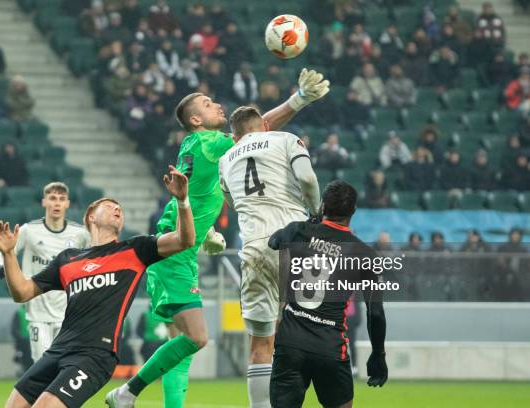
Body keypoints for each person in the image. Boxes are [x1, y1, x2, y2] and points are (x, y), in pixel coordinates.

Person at [107, 69, 330, 408]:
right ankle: (128, 391)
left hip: (180, 244)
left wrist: (205, 231)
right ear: (196, 119)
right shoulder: (212, 143)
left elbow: (197, 194)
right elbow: (257, 132)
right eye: (209, 104)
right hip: (174, 249)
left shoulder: (200, 147)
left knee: (181, 342)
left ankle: (138, 398)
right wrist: (297, 100)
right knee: (195, 338)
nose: (218, 106)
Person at [0, 166, 195, 408]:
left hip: (94, 355)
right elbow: (22, 292)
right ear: (91, 216)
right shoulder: (68, 259)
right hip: (58, 350)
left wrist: (182, 201)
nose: (117, 208)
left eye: (119, 208)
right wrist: (8, 255)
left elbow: (185, 239)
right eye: (109, 206)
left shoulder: (135, 250)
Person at [218, 106, 321, 408]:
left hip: (255, 248)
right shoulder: (286, 139)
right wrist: (315, 215)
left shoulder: (226, 160)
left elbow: (234, 204)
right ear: (264, 125)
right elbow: (308, 180)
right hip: (297, 242)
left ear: (234, 136)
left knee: (261, 341)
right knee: (311, 331)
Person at [268, 180, 388, 408]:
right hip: (330, 346)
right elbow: (376, 313)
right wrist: (378, 354)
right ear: (353, 211)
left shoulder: (298, 231)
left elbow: (274, 241)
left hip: (290, 343)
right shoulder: (365, 254)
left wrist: (308, 224)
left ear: (322, 206)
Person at [0, 182, 91, 363]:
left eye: (61, 199)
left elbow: (96, 259)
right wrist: (0, 267)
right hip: (38, 313)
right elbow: (3, 254)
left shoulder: (80, 234)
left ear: (67, 204)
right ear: (44, 202)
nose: (57, 203)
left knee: (64, 366)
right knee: (43, 365)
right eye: (52, 198)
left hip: (67, 313)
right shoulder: (29, 231)